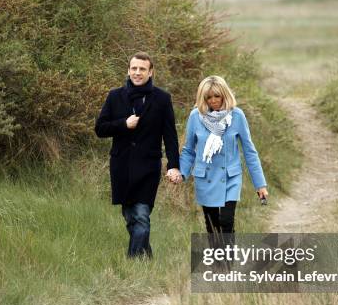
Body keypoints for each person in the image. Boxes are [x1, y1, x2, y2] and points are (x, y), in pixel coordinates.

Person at [95, 52, 181, 258]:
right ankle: (146, 255)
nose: (137, 72)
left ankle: (133, 263)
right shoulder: (115, 96)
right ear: (128, 70)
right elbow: (100, 129)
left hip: (148, 167)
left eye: (142, 69)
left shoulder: (162, 99)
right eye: (134, 68)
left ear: (150, 72)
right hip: (121, 166)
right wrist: (123, 124)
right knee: (130, 216)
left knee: (142, 215)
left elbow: (170, 136)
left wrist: (173, 165)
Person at [173, 75, 268, 234]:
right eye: (208, 97)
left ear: (225, 94)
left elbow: (249, 151)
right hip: (205, 178)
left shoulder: (237, 116)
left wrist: (260, 184)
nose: (213, 100)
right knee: (212, 226)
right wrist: (182, 173)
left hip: (230, 177)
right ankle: (218, 258)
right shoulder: (195, 116)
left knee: (226, 221)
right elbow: (189, 150)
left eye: (217, 96)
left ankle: (228, 259)